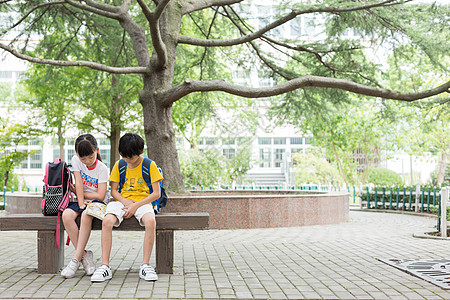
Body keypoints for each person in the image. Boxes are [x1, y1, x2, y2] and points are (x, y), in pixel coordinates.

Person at [90, 133, 163, 282]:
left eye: (130, 157)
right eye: (123, 156)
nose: (127, 160)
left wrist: (135, 205)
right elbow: (114, 191)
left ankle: (145, 266)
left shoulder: (150, 165)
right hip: (122, 202)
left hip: (143, 202)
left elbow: (156, 193)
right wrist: (126, 203)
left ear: (140, 152)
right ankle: (105, 266)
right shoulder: (119, 165)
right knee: (107, 221)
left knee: (150, 222)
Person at [61, 134, 110, 278]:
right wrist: (81, 202)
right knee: (67, 215)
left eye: (90, 157)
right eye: (83, 159)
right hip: (82, 199)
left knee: (86, 215)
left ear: (97, 151)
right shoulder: (76, 160)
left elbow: (101, 196)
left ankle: (75, 260)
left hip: (98, 203)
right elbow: (78, 181)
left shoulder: (102, 168)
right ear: (77, 155)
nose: (87, 161)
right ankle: (85, 256)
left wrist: (80, 194)